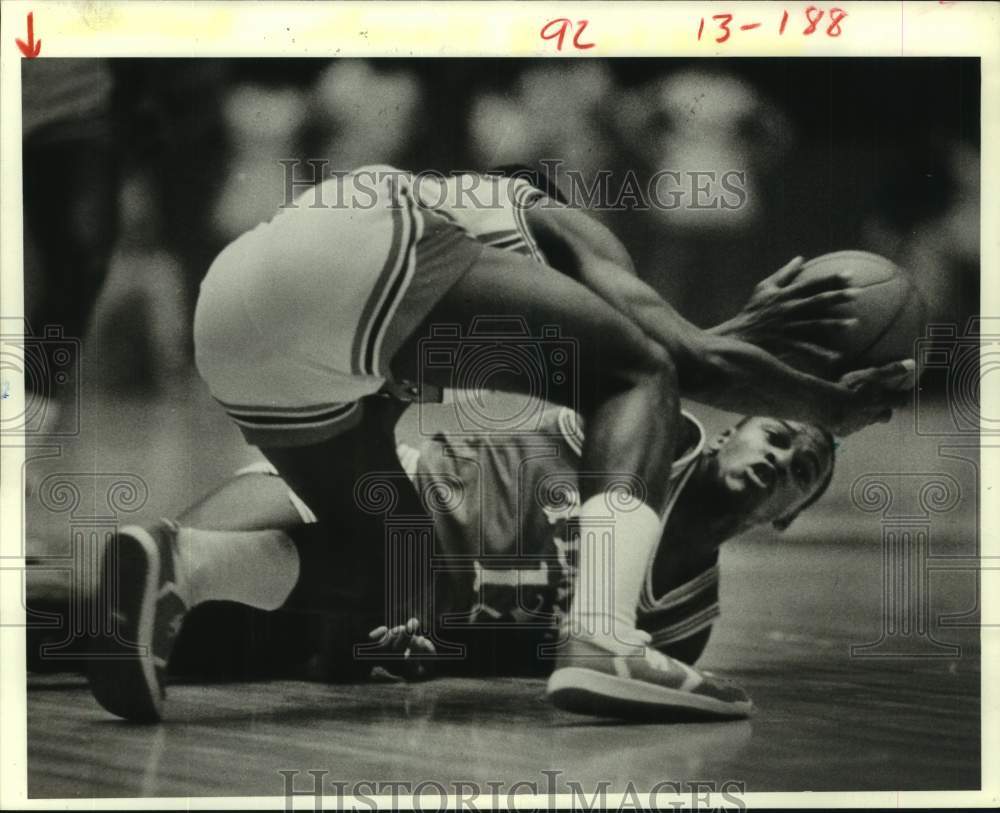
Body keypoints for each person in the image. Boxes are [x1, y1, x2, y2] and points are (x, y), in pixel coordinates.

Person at [88, 164, 911, 722]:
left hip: (233, 326)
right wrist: (832, 405)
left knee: (393, 571)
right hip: (352, 261)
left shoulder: (453, 315)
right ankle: (603, 634)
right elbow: (662, 364)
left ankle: (183, 561)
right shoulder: (558, 226)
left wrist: (726, 343)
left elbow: (647, 355)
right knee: (640, 371)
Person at [85, 397, 835, 721]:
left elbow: (513, 662)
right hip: (374, 505)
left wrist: (420, 657)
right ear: (731, 430)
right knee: (118, 597)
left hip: (365, 617)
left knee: (121, 635)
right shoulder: (652, 437)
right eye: (774, 435)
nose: (778, 458)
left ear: (790, 516)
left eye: (801, 469)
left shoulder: (683, 629)